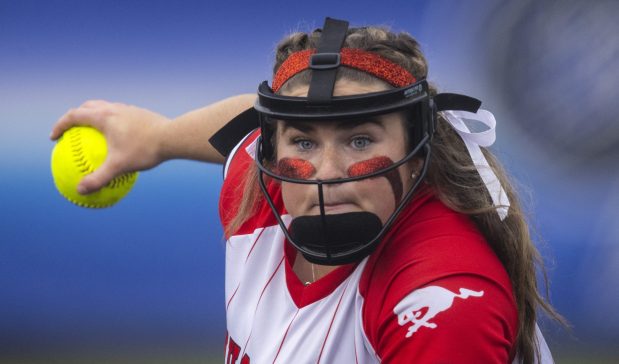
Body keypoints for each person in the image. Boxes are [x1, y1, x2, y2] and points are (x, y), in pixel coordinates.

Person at [50, 17, 563, 363]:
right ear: (272, 150)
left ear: (419, 151)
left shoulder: (440, 302)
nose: (325, 171)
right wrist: (159, 137)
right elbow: (249, 124)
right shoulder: (261, 188)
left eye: (361, 138)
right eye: (303, 140)